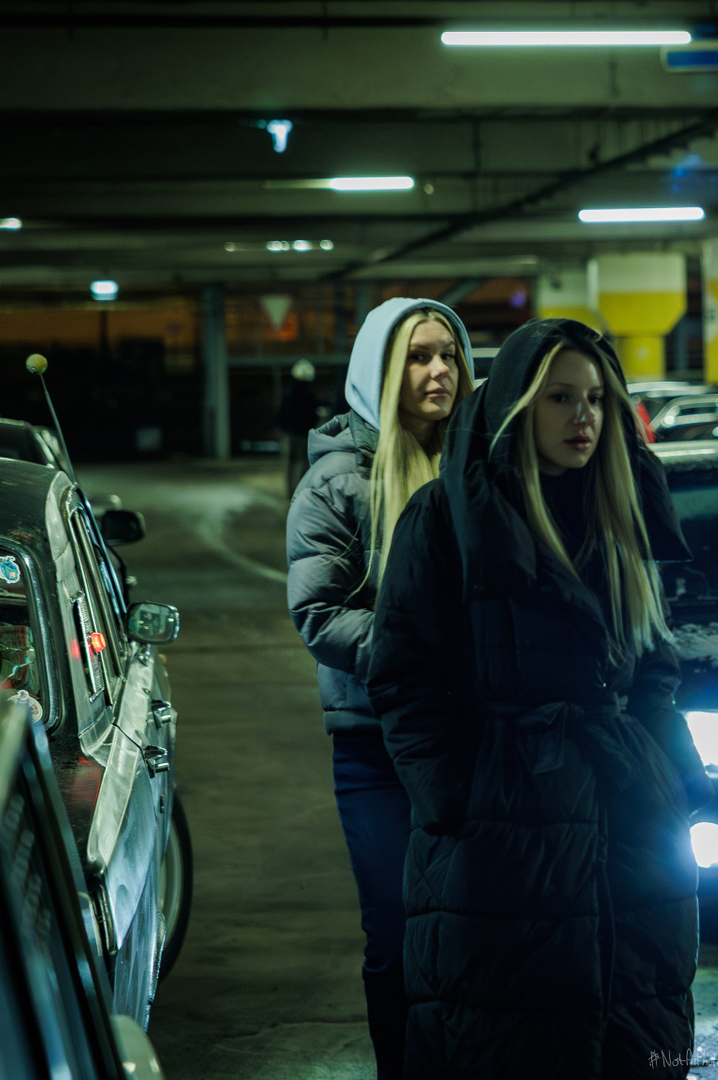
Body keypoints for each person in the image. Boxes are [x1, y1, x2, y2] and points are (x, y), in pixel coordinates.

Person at [367, 319, 711, 1080]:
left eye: (597, 399)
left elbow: (655, 665)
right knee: (509, 1035)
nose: (584, 416)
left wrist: (673, 773)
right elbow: (404, 674)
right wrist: (457, 796)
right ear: (519, 407)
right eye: (560, 398)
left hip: (628, 813)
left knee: (635, 1024)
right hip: (503, 824)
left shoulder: (620, 513)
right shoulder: (446, 517)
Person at [285, 297, 473, 1080]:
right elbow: (319, 612)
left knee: (474, 929)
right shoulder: (338, 481)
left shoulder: (481, 470)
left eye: (449, 355)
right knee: (396, 932)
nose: (440, 371)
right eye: (419, 356)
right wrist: (420, 649)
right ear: (381, 372)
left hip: (473, 736)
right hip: (375, 744)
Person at [278, 358, 324, 495]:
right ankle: (298, 492)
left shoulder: (288, 394)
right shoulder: (309, 396)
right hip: (303, 435)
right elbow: (314, 416)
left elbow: (281, 414)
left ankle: (290, 492)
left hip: (289, 434)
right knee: (301, 463)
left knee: (289, 464)